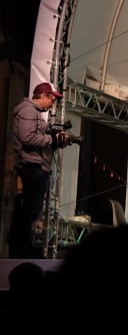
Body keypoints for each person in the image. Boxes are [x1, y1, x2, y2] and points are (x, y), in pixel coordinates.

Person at [9, 82, 72, 258]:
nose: (53, 104)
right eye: (52, 100)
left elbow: (35, 140)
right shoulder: (29, 110)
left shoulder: (32, 112)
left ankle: (22, 249)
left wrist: (55, 141)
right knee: (29, 212)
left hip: (34, 167)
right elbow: (27, 137)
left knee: (29, 212)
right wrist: (52, 140)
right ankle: (22, 252)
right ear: (43, 96)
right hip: (33, 169)